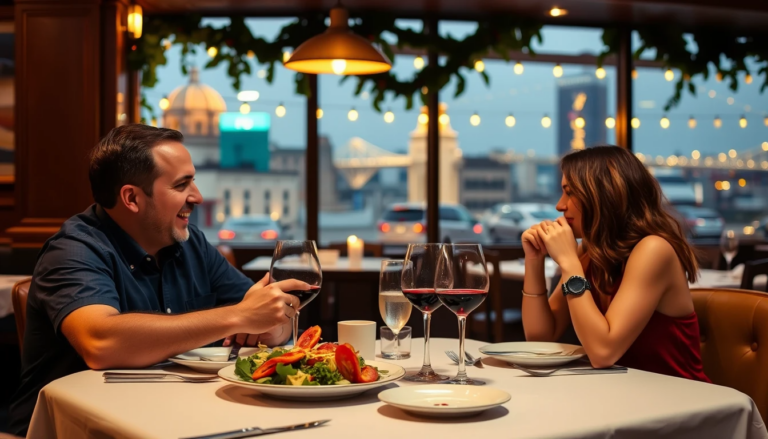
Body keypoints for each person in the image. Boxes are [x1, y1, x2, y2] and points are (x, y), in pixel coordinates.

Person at [8, 124, 307, 436]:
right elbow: (101, 343)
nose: (199, 197)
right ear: (132, 198)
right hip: (75, 429)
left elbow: (270, 315)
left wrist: (273, 327)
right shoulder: (74, 250)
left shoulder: (193, 244)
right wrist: (237, 316)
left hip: (172, 418)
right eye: (182, 185)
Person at [521, 146, 710, 382]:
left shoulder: (653, 250)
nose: (560, 205)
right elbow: (541, 339)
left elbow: (603, 353)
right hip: (624, 394)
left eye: (570, 193)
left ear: (603, 195)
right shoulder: (590, 251)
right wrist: (534, 260)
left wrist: (569, 262)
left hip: (683, 401)